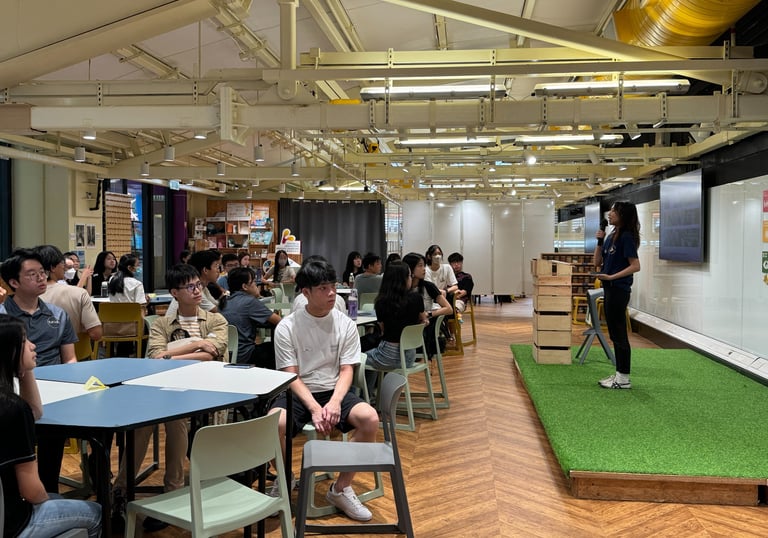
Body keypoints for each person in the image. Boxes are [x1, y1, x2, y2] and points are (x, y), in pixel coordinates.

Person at [112, 264, 228, 532]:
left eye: (198, 285)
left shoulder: (215, 320)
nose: (197, 290)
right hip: (165, 386)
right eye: (190, 286)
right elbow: (155, 357)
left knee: (176, 419)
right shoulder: (162, 324)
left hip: (206, 388)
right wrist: (196, 344)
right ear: (175, 293)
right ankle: (121, 491)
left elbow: (214, 353)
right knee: (141, 423)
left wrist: (173, 354)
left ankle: (173, 491)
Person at [268, 259, 379, 521]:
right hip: (297, 391)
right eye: (323, 288)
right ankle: (285, 477)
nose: (331, 293)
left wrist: (335, 402)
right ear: (305, 292)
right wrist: (315, 408)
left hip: (333, 389)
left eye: (333, 287)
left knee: (370, 419)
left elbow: (347, 370)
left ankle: (340, 488)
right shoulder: (287, 327)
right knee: (273, 424)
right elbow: (291, 376)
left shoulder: (345, 324)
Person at [0, 315, 102, 538]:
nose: (33, 345)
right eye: (24, 341)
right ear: (9, 351)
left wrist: (24, 369)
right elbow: (32, 492)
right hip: (11, 523)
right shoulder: (13, 410)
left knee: (56, 498)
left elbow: (35, 412)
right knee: (96, 513)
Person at [0, 249, 78, 494]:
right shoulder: (4, 317)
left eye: (42, 272)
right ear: (14, 282)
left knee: (57, 431)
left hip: (57, 392)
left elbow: (70, 358)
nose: (41, 278)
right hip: (14, 391)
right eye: (32, 274)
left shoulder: (58, 315)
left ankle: (50, 488)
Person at [594, 201, 641, 390]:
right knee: (614, 333)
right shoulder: (611, 236)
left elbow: (635, 266)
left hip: (619, 289)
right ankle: (620, 374)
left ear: (623, 215)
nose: (610, 213)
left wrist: (612, 277)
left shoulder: (627, 237)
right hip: (609, 288)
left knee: (619, 334)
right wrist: (599, 241)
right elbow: (597, 262)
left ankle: (623, 378)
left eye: (614, 211)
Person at [364, 261, 426, 392]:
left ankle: (364, 397)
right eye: (409, 276)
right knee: (370, 355)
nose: (411, 278)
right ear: (403, 279)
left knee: (359, 359)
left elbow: (382, 331)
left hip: (387, 356)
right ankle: (370, 396)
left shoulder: (382, 302)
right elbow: (423, 320)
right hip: (410, 356)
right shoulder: (417, 298)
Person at [37, 245, 103, 354]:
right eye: (63, 264)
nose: (64, 268)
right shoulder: (78, 293)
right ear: (53, 267)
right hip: (78, 354)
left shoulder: (26, 296)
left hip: (39, 357)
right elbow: (96, 334)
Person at [219, 267, 281, 367]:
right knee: (277, 348)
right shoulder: (249, 302)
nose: (256, 285)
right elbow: (279, 321)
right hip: (244, 354)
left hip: (225, 355)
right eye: (253, 282)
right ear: (244, 286)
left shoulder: (224, 301)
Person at [402, 252, 452, 358]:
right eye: (420, 266)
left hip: (422, 328)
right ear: (409, 268)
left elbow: (449, 309)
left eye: (424, 265)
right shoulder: (401, 288)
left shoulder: (428, 286)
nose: (424, 269)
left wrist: (429, 313)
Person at [164, 249, 221, 317]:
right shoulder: (195, 293)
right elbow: (217, 311)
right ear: (205, 270)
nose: (219, 271)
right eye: (216, 267)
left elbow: (216, 304)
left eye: (198, 284)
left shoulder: (203, 288)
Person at [448, 252, 475, 319]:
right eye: (454, 262)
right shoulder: (447, 277)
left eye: (458, 262)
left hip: (459, 301)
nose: (456, 264)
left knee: (455, 309)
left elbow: (464, 292)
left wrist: (452, 296)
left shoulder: (467, 277)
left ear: (462, 263)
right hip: (446, 301)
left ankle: (454, 324)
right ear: (450, 264)